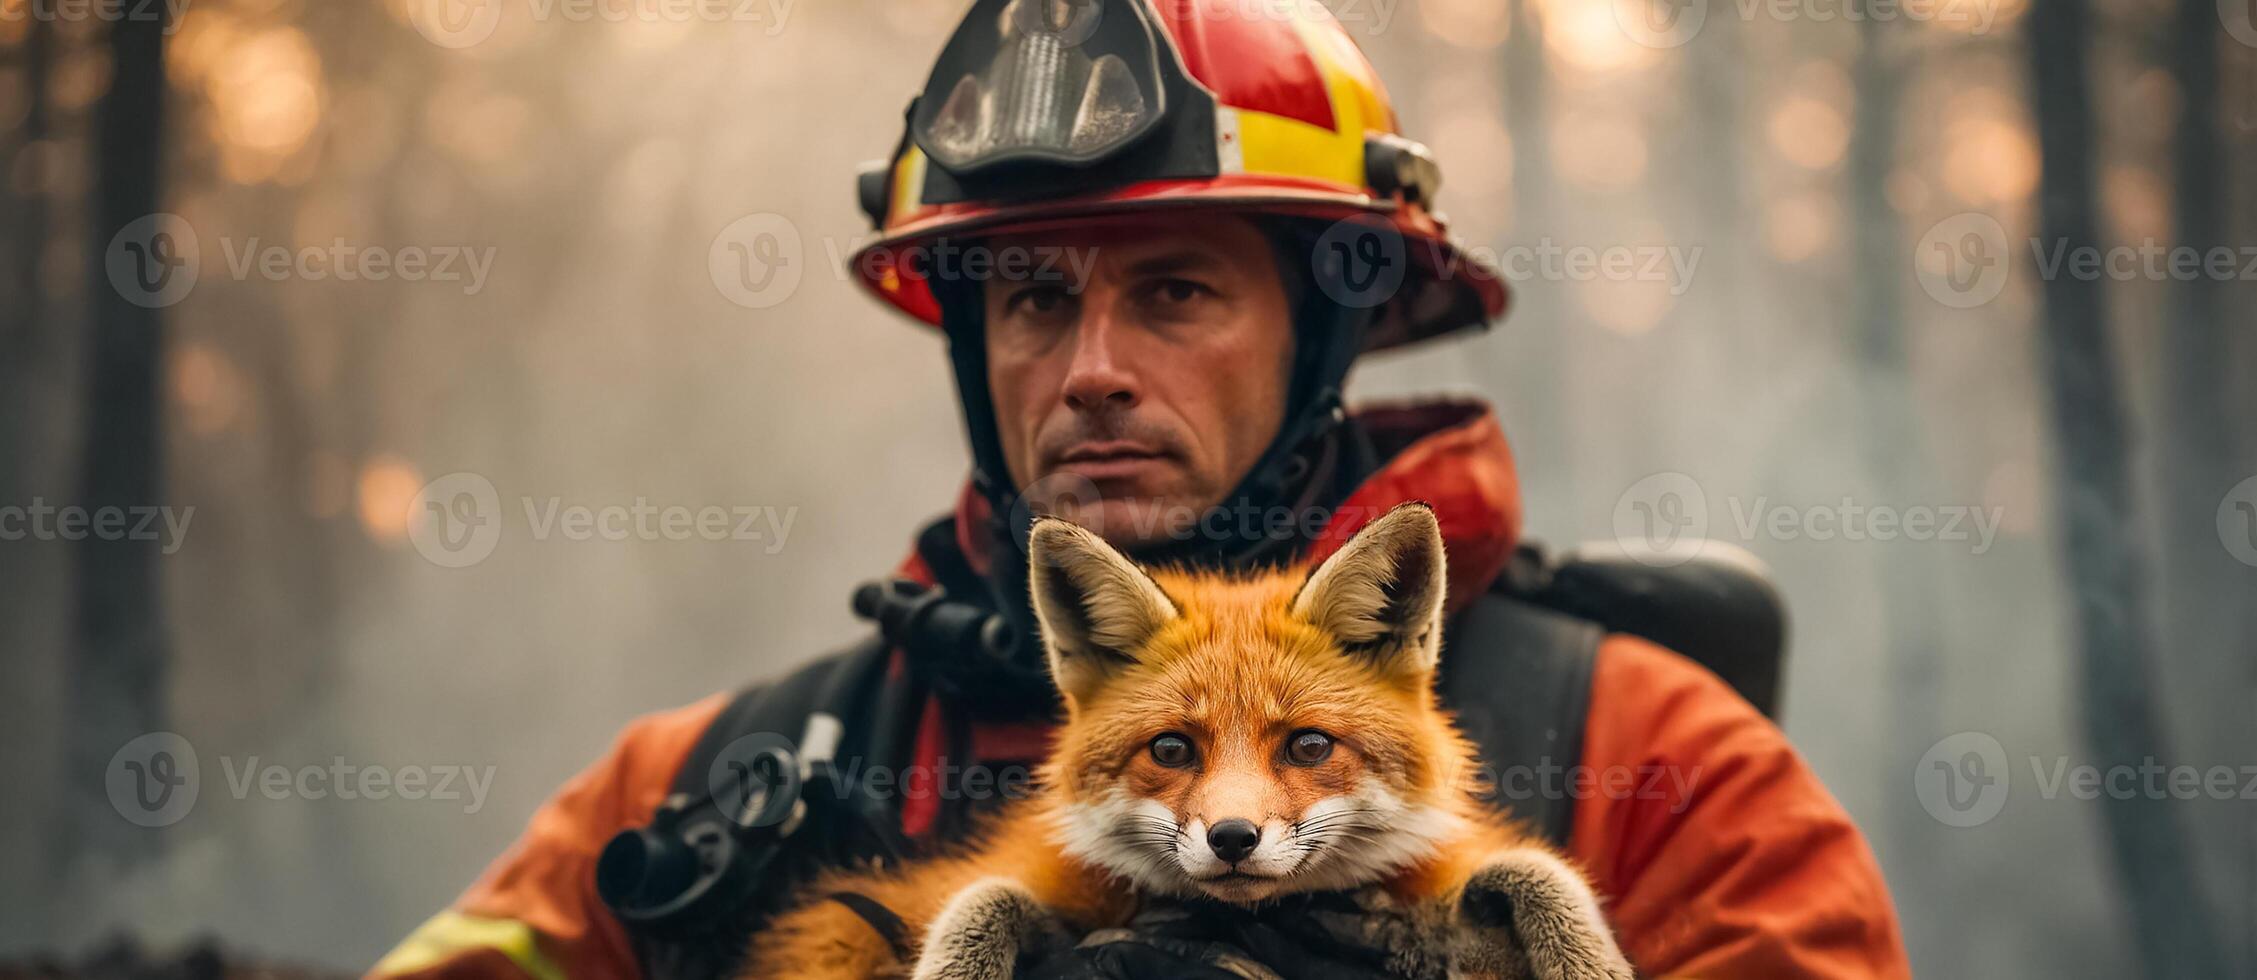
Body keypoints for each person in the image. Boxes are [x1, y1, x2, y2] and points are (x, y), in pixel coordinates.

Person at [374, 1, 1910, 977]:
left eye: (1174, 293)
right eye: (1031, 299)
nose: (1091, 365)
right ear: (971, 345)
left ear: (1330, 329)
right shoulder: (700, 788)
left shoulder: (1659, 761)